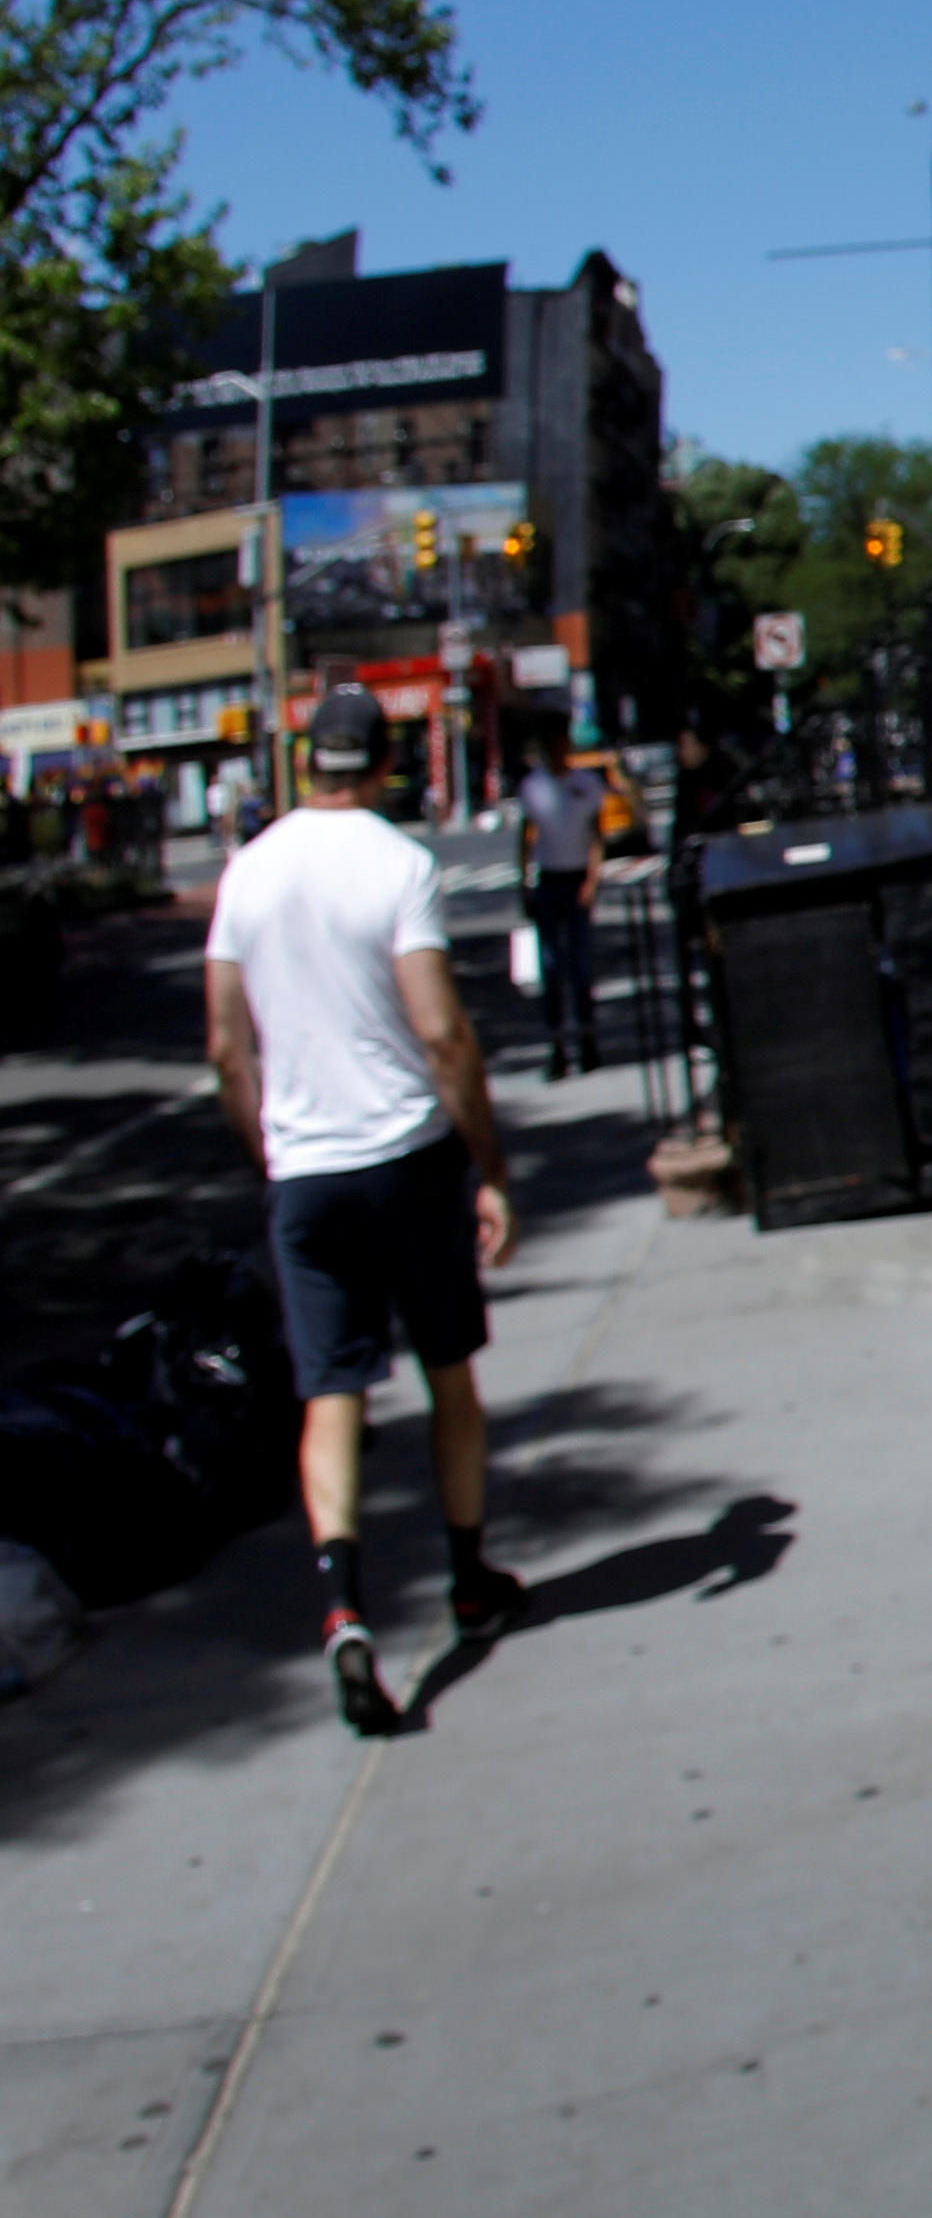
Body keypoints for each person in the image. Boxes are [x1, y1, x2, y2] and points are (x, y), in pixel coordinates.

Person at [205, 681, 522, 1737]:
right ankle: (469, 1574)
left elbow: (224, 1044)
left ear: (306, 762)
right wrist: (487, 1162)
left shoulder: (247, 871)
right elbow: (441, 1031)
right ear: (386, 765)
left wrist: (271, 1153)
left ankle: (343, 1606)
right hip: (406, 1157)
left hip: (306, 1175)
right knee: (448, 1373)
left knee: (330, 1394)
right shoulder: (399, 864)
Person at [513, 738, 607, 1074]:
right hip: (549, 880)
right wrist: (523, 881)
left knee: (581, 966)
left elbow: (597, 835)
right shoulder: (533, 787)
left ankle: (587, 1041)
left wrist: (592, 881)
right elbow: (525, 836)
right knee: (551, 966)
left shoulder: (585, 784)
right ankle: (557, 1048)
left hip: (576, 877)